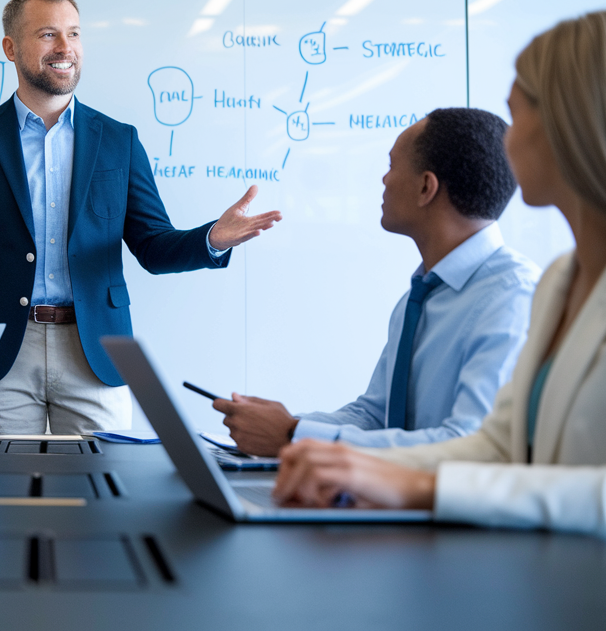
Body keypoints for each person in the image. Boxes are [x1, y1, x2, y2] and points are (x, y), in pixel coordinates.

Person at [272, 10, 606, 552]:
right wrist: (342, 461)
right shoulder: (561, 280)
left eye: (517, 114)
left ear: (572, 126)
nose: (504, 144)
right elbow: (496, 447)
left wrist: (414, 484)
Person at [0, 0, 282, 434]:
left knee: (103, 496)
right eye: (48, 34)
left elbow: (153, 245)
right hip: (1, 351)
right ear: (11, 48)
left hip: (96, 350)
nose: (65, 48)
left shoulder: (119, 140)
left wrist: (210, 240)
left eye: (73, 33)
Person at [214, 109, 540, 455]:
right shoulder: (421, 296)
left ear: (426, 187)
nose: (384, 180)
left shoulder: (513, 296)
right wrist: (278, 426)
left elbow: (467, 443)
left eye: (391, 167)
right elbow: (374, 415)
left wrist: (296, 435)